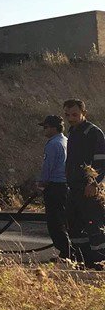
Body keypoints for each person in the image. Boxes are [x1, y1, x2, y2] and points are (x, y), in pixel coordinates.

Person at [62, 99, 105, 268]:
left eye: (74, 114)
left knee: (93, 224)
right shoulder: (73, 132)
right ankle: (83, 260)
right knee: (76, 225)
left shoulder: (94, 133)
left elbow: (101, 163)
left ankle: (100, 260)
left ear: (83, 114)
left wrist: (94, 184)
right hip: (74, 188)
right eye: (67, 115)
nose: (70, 118)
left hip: (89, 188)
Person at [37, 114, 69, 261]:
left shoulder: (53, 144)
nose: (44, 130)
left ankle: (66, 250)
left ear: (54, 128)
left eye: (46, 127)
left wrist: (42, 183)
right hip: (66, 186)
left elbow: (48, 166)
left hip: (55, 186)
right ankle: (68, 250)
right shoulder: (66, 141)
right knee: (64, 220)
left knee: (54, 222)